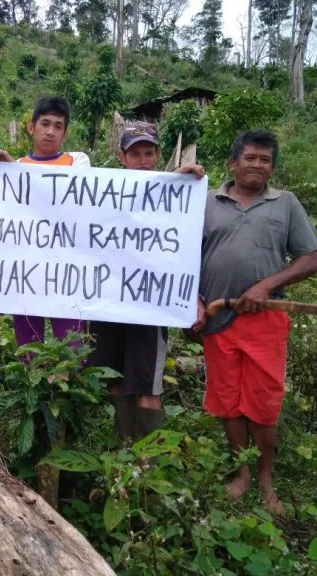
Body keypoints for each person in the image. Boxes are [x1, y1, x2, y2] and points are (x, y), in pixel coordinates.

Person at [199, 130, 317, 515]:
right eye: (250, 158)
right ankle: (242, 473)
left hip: (265, 320)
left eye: (265, 160)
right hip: (217, 318)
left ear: (272, 167)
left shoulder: (285, 204)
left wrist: (267, 286)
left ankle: (266, 478)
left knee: (264, 403)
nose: (257, 165)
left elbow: (312, 257)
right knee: (228, 401)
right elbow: (180, 253)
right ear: (232, 163)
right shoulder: (205, 203)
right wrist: (195, 302)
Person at [89, 121, 206, 441]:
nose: (142, 159)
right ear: (121, 157)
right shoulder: (101, 191)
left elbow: (185, 247)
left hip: (150, 307)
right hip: (108, 303)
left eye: (149, 152)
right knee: (113, 380)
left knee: (147, 387)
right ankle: (124, 450)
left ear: (158, 154)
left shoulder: (173, 194)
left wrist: (185, 183)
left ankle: (147, 467)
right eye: (135, 153)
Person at [0, 95, 90, 348]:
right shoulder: (15, 165)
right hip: (26, 271)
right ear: (31, 128)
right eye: (45, 124)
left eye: (58, 126)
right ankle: (32, 386)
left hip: (67, 271)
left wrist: (13, 170)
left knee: (73, 345)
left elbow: (64, 198)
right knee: (29, 344)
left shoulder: (78, 161)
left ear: (65, 133)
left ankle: (70, 384)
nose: (50, 131)